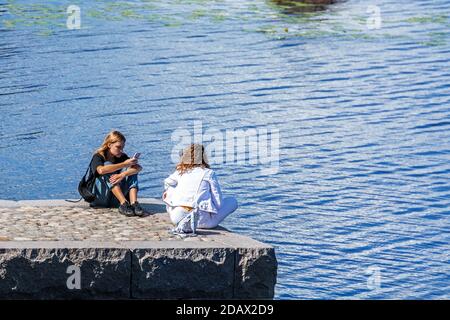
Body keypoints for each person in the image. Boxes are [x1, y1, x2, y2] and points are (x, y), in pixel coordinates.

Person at [162, 143, 238, 229]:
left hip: (176, 218)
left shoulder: (180, 172)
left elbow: (167, 182)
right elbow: (218, 203)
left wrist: (173, 195)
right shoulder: (208, 173)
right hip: (203, 222)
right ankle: (195, 218)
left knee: (169, 190)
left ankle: (180, 214)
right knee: (232, 201)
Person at [90, 130, 144, 217]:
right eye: (118, 147)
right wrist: (124, 164)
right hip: (100, 197)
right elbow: (101, 170)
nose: (121, 150)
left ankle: (134, 203)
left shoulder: (121, 156)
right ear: (109, 145)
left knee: (132, 169)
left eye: (122, 147)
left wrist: (122, 174)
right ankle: (123, 204)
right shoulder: (98, 156)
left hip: (114, 198)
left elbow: (139, 168)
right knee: (107, 167)